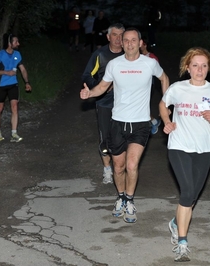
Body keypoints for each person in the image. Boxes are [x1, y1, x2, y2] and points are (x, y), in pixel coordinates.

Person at [80, 28, 169, 223]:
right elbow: (102, 87)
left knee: (131, 164)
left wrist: (166, 101)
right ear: (122, 43)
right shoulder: (114, 64)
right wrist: (90, 94)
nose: (129, 43)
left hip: (140, 123)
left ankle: (129, 200)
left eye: (133, 40)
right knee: (118, 167)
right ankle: (120, 197)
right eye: (126, 40)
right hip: (118, 122)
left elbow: (164, 78)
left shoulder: (150, 64)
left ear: (140, 43)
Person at [159, 47, 210, 262]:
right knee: (187, 191)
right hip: (179, 146)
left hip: (204, 149)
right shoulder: (178, 89)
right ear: (187, 68)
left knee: (191, 197)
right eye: (195, 65)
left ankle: (175, 221)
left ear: (209, 68)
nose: (200, 69)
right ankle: (182, 242)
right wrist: (167, 122)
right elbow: (163, 104)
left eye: (204, 65)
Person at [81, 23, 125, 185]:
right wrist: (102, 87)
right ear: (108, 37)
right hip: (105, 103)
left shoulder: (130, 55)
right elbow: (87, 76)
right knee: (105, 138)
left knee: (124, 137)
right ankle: (107, 169)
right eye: (115, 35)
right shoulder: (100, 54)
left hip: (127, 104)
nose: (118, 39)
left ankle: (121, 167)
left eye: (121, 35)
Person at [0, 33, 32, 143]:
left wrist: (27, 82)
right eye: (16, 41)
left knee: (14, 106)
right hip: (1, 85)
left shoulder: (17, 54)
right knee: (0, 108)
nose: (18, 43)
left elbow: (22, 69)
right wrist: (6, 72)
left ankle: (14, 133)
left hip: (13, 84)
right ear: (9, 43)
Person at [140, 37, 161, 134]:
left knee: (142, 106)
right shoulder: (138, 56)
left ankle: (153, 122)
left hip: (149, 84)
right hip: (139, 85)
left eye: (141, 43)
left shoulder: (151, 57)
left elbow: (157, 71)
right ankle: (153, 122)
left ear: (145, 45)